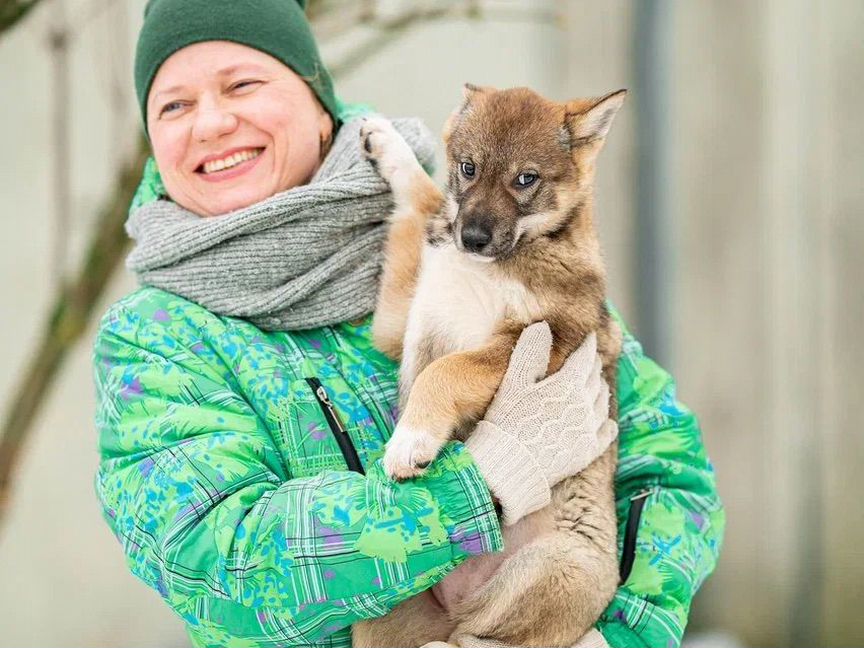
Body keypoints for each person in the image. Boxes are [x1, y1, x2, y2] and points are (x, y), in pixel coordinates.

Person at [92, 1, 725, 647]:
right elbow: (227, 571)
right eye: (173, 105)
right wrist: (479, 485)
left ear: (318, 102)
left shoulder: (501, 251)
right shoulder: (157, 341)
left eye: (242, 84)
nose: (213, 122)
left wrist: (620, 640)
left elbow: (670, 473)